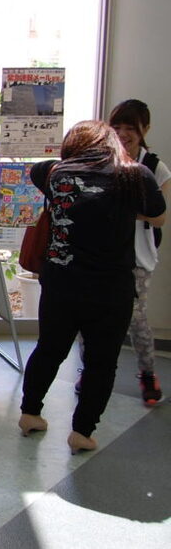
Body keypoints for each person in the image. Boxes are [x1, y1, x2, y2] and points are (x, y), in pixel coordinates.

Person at [18, 121, 165, 453]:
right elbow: (158, 215)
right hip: (110, 288)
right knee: (101, 361)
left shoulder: (55, 173)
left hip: (61, 283)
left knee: (49, 349)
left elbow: (38, 169)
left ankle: (30, 414)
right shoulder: (135, 174)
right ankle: (82, 433)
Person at [108, 100, 170, 404]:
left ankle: (147, 374)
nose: (123, 134)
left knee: (136, 318)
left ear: (145, 129)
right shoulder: (102, 160)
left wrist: (127, 212)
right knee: (93, 315)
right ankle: (90, 370)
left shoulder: (155, 167)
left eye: (130, 128)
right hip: (101, 253)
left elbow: (160, 218)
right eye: (117, 127)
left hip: (138, 256)